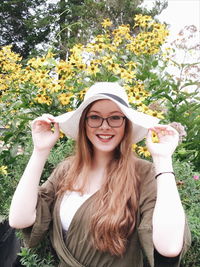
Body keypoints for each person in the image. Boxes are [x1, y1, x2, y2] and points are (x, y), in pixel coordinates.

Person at [9, 82, 191, 267]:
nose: (104, 126)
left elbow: (169, 247)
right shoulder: (67, 170)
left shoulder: (142, 174)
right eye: (95, 117)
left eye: (115, 118)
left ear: (126, 124)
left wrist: (163, 159)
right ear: (84, 123)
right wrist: (40, 151)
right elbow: (19, 218)